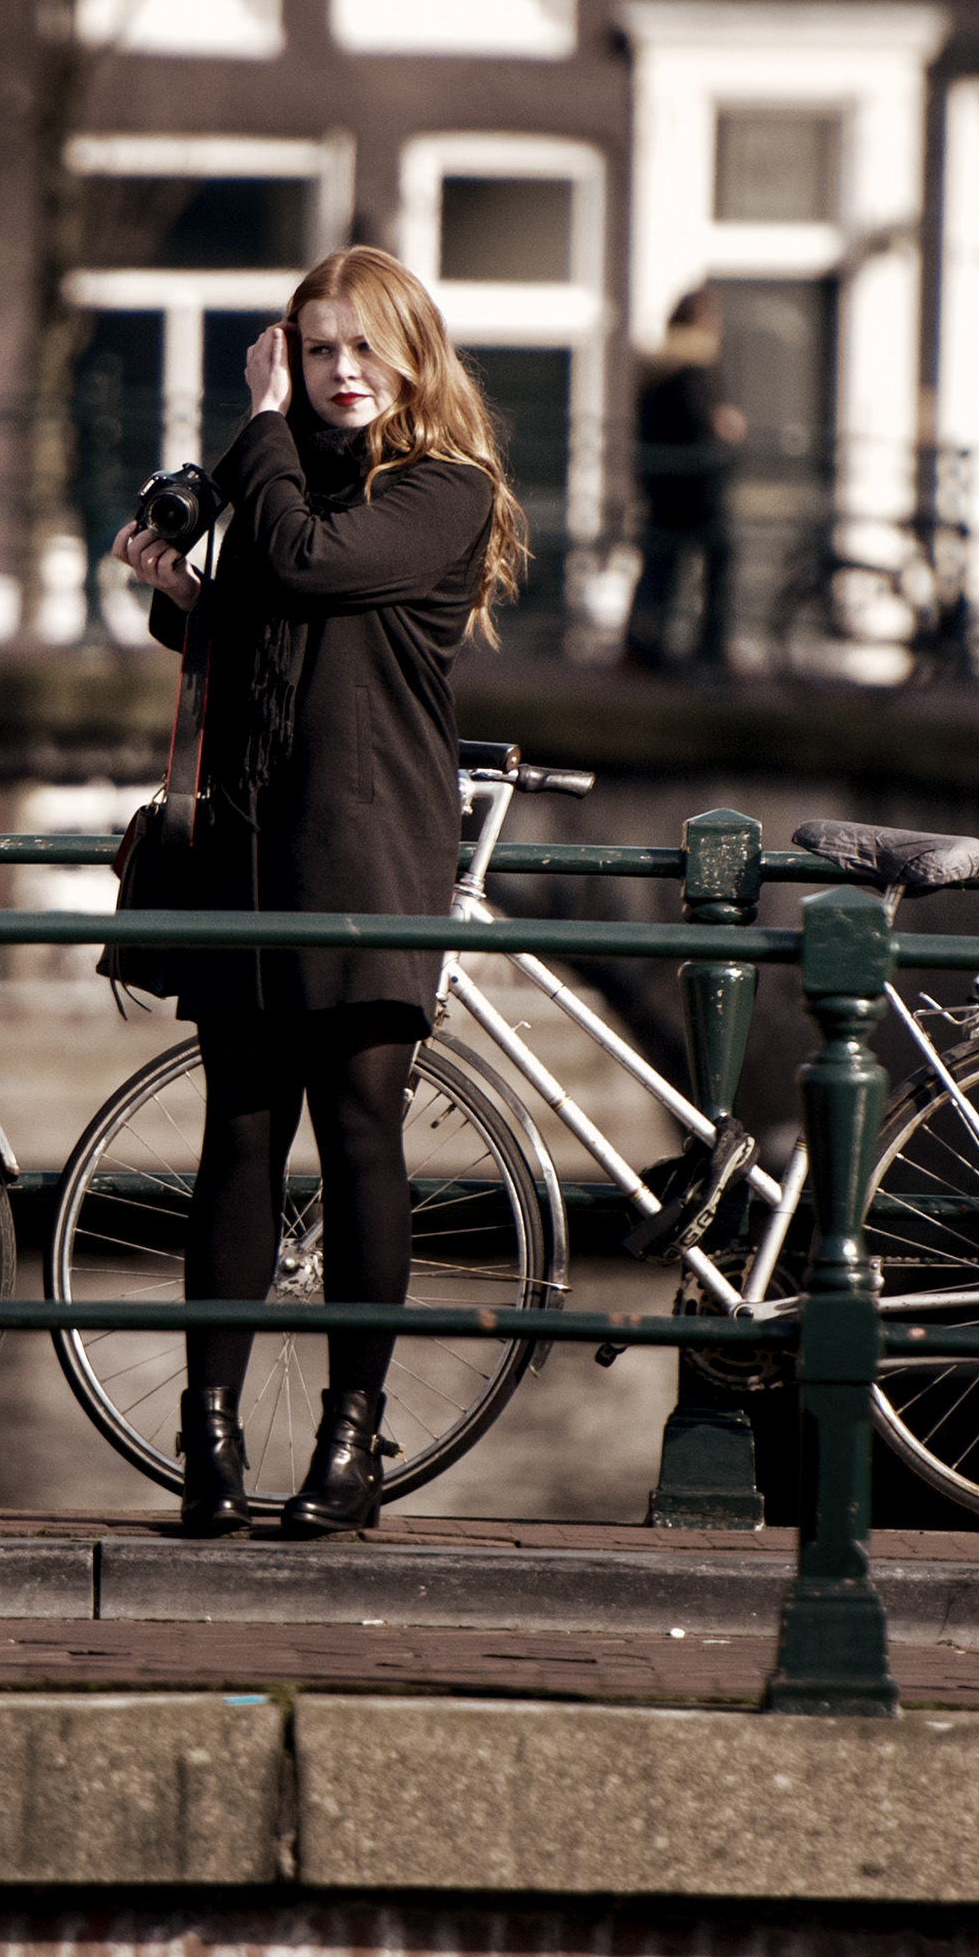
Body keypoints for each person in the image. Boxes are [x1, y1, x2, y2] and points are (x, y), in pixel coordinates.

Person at [106, 245, 526, 1538]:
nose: (342, 371)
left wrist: (260, 420)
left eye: (361, 347)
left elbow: (305, 563)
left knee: (359, 1135)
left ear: (412, 356)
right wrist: (183, 596)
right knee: (240, 1131)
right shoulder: (290, 485)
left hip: (364, 845)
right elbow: (267, 616)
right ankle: (208, 1443)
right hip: (248, 839)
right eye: (316, 348)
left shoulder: (443, 488)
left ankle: (352, 1444)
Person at [628, 288, 746, 677]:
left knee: (659, 566)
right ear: (703, 321)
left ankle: (642, 647)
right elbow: (705, 424)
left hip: (660, 484)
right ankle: (710, 650)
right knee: (718, 558)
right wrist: (726, 427)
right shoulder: (698, 366)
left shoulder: (655, 365)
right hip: (697, 488)